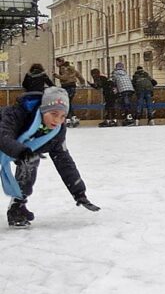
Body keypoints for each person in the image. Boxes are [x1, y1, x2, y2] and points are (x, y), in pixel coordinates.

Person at [1, 86, 100, 227]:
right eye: (53, 114)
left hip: (17, 149)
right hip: (5, 143)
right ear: (43, 110)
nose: (58, 120)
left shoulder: (56, 132)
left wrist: (79, 192)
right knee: (29, 156)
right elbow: (3, 136)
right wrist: (22, 152)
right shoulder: (19, 113)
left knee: (31, 160)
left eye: (62, 116)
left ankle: (17, 206)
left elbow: (64, 161)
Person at [54, 58, 85, 128]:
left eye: (57, 62)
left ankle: (69, 118)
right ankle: (72, 117)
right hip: (73, 86)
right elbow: (78, 74)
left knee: (67, 103)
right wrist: (82, 82)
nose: (56, 64)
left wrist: (55, 75)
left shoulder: (63, 68)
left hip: (67, 86)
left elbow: (65, 77)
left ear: (61, 62)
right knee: (69, 102)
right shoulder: (71, 67)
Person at [112, 62, 136, 126]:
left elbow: (113, 83)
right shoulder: (125, 73)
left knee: (126, 103)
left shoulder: (115, 74)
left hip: (123, 90)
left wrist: (115, 90)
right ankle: (129, 116)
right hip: (130, 89)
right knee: (128, 103)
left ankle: (128, 117)